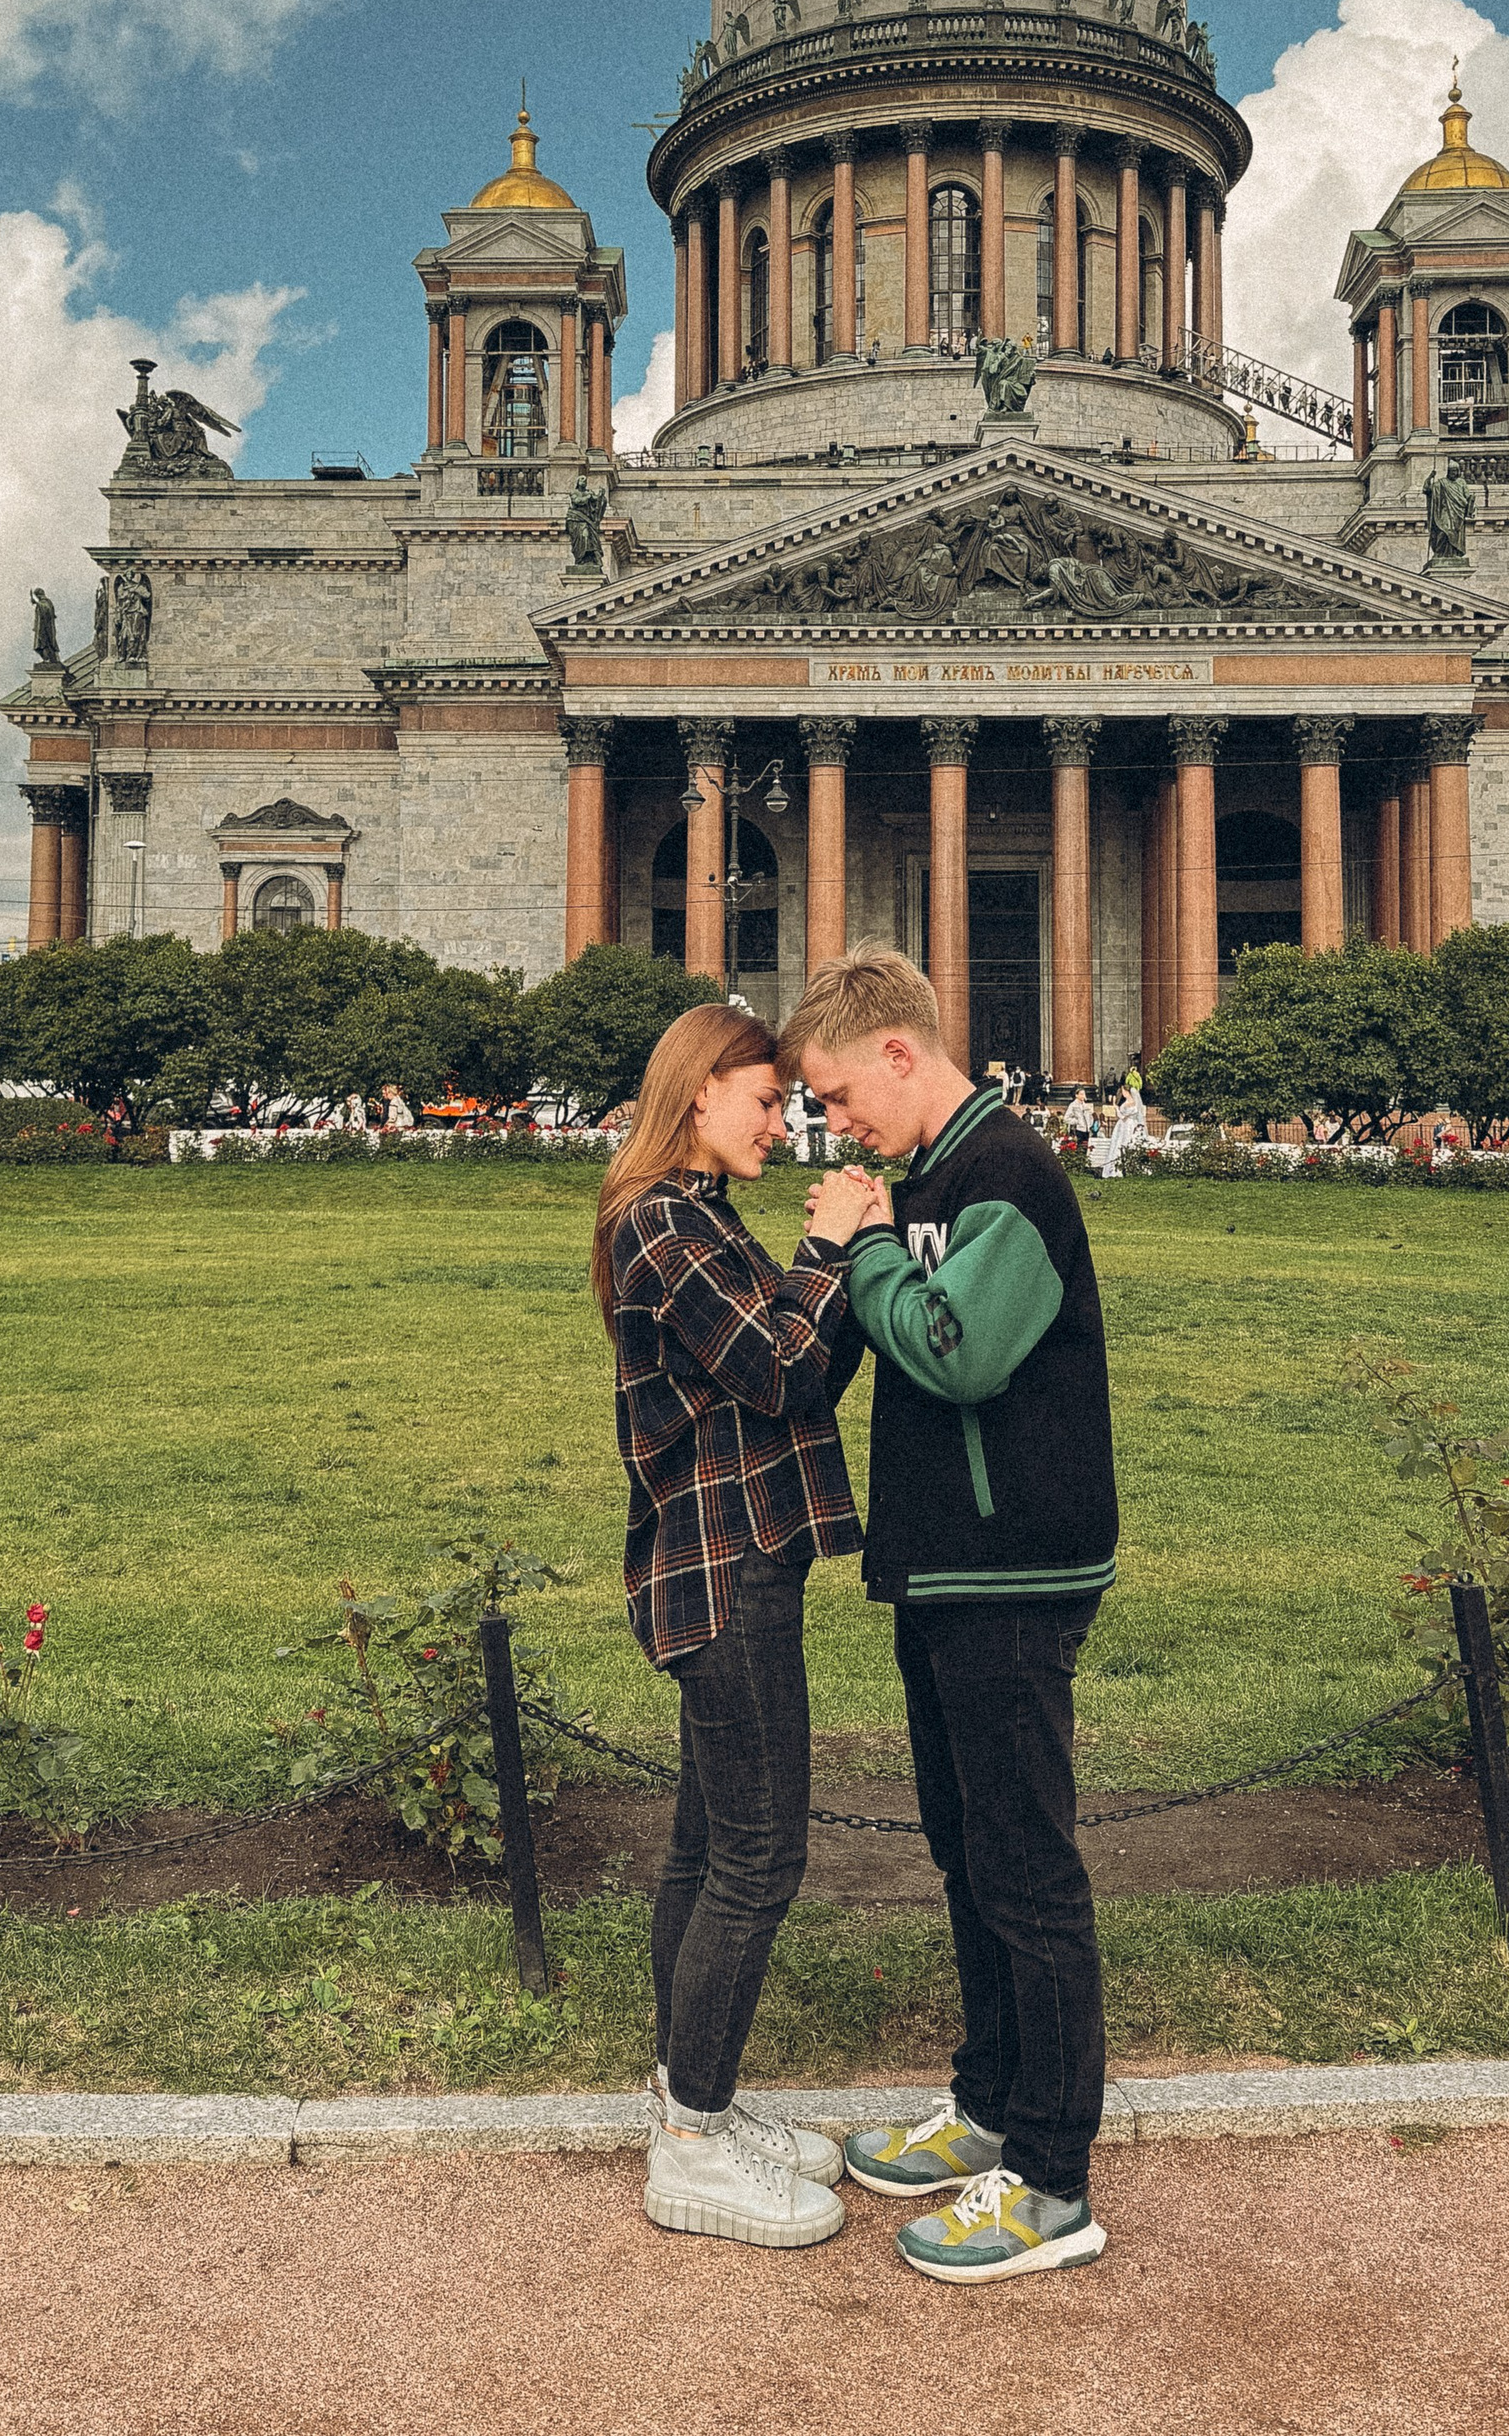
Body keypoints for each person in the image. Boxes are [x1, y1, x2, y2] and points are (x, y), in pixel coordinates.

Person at [785, 946, 1116, 2286]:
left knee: (1026, 1868)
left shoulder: (1008, 1174)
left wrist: (866, 1243)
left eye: (838, 1094)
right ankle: (988, 2104)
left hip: (1014, 1568)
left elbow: (958, 1350)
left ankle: (1051, 2177)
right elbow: (852, 1346)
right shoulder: (924, 1180)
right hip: (940, 1566)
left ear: (899, 1051)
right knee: (967, 1850)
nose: (832, 1122)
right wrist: (846, 1245)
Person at [592, 1001, 885, 2253]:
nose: (783, 1121)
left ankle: (688, 2096)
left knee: (705, 1845)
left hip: (726, 1557)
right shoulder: (663, 1220)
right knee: (758, 1856)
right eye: (766, 1099)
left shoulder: (698, 1214)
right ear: (699, 1090)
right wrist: (827, 1247)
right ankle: (694, 2140)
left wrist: (841, 1265)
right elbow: (781, 1369)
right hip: (725, 1568)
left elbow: (802, 1368)